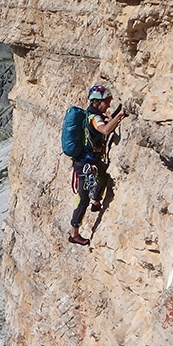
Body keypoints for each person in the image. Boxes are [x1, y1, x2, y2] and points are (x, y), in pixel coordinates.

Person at [68, 84, 127, 246]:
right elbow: (105, 130)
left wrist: (115, 115)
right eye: (106, 101)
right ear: (97, 102)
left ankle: (95, 201)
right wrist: (121, 115)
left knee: (101, 174)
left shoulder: (92, 114)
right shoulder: (95, 118)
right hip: (85, 164)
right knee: (82, 198)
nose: (108, 105)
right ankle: (74, 233)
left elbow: (105, 122)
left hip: (88, 161)